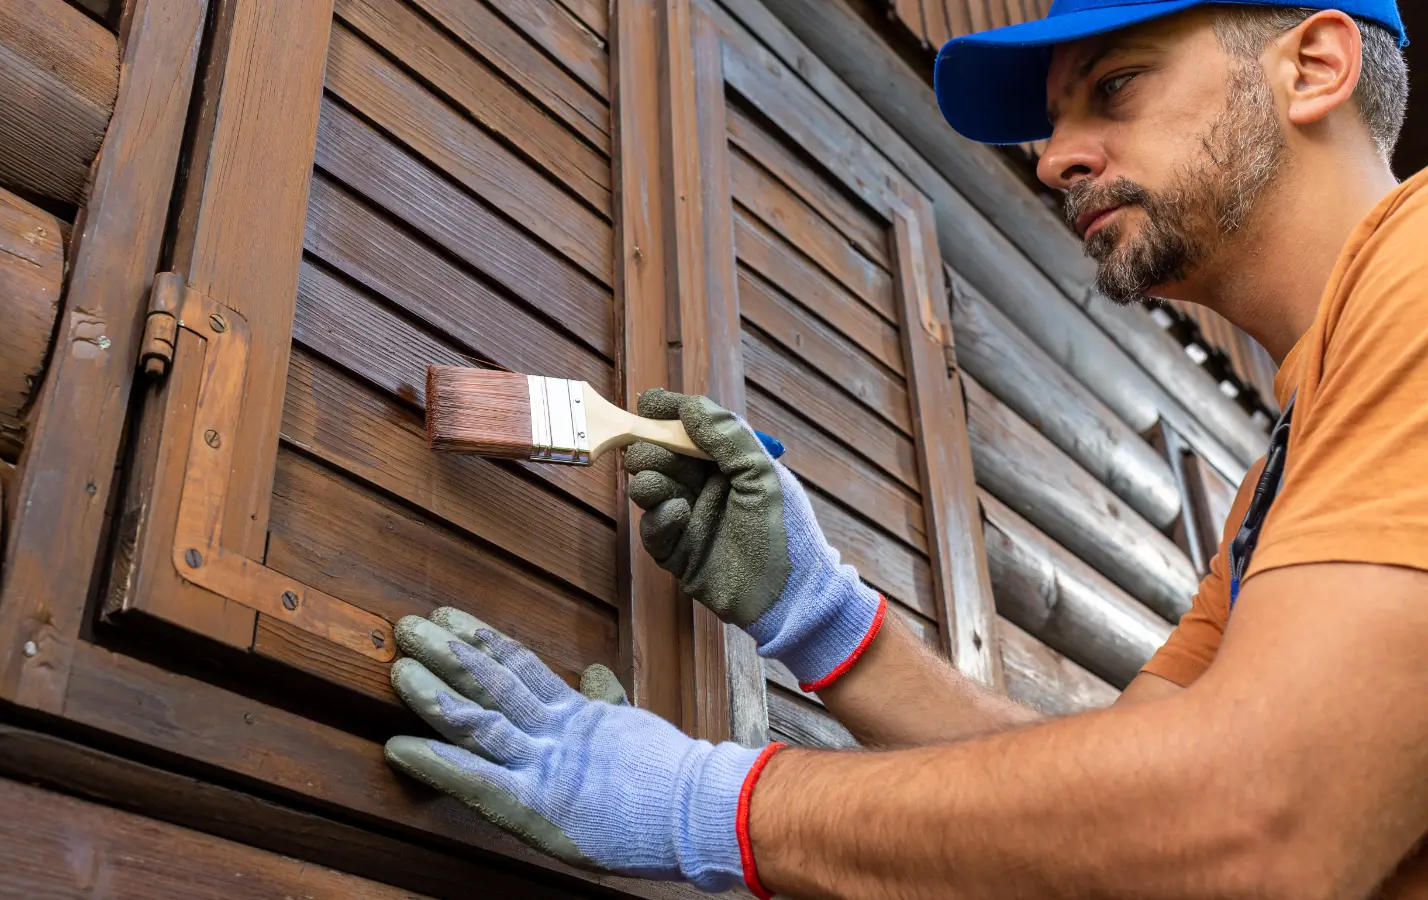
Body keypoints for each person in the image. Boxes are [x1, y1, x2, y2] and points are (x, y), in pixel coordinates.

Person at [383, 0, 1428, 895]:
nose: (1057, 158)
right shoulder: (1274, 487)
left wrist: (712, 806)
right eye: (1057, 122)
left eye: (1113, 87)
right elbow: (1101, 817)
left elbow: (1257, 820)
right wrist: (823, 619)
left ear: (1314, 68)